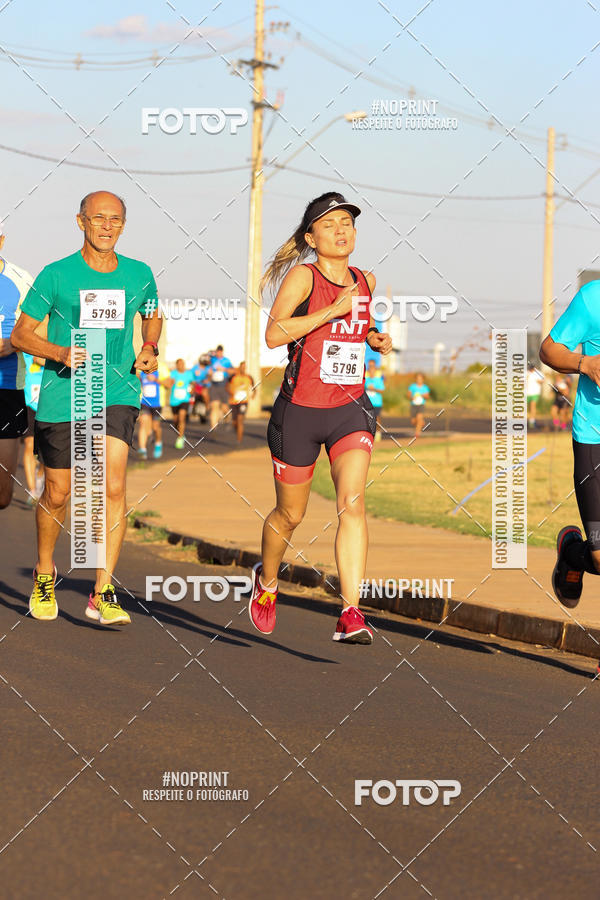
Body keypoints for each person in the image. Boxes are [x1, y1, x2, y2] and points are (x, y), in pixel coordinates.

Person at [247, 191, 391, 644]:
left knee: (353, 503)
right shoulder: (303, 278)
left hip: (350, 408)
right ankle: (267, 582)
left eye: (347, 221)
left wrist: (374, 338)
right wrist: (331, 309)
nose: (342, 230)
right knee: (290, 515)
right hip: (300, 412)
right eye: (330, 225)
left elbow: (355, 328)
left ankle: (351, 612)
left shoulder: (365, 280)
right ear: (311, 236)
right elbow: (273, 335)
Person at [11, 190, 160, 624]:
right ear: (81, 222)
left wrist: (149, 344)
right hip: (64, 394)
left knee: (112, 486)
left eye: (115, 219)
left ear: (124, 225)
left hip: (116, 390)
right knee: (58, 493)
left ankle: (103, 590)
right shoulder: (57, 275)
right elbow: (21, 335)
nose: (107, 226)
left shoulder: (139, 274)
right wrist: (59, 353)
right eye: (98, 218)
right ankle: (43, 572)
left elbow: (152, 313)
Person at [539, 279, 600, 613]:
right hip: (594, 436)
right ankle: (573, 554)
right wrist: (585, 364)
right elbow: (549, 349)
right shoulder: (594, 299)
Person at [0, 226, 33, 508]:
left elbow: (42, 328)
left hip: (7, 386)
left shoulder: (21, 279)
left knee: (2, 496)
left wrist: (15, 343)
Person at [22, 351, 45, 505]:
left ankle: (40, 476)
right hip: (27, 404)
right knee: (29, 445)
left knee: (46, 449)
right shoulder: (21, 351)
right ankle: (32, 491)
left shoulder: (51, 349)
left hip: (47, 404)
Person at [138, 362, 169, 459]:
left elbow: (168, 384)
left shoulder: (162, 368)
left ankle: (158, 443)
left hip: (157, 403)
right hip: (144, 402)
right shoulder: (141, 368)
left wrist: (155, 379)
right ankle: (142, 450)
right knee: (143, 424)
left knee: (156, 427)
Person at [167, 358, 194, 449]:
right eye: (179, 364)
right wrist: (170, 382)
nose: (181, 366)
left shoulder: (189, 374)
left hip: (185, 399)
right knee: (176, 421)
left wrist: (192, 389)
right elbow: (169, 384)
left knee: (182, 417)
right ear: (176, 365)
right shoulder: (173, 374)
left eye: (182, 364)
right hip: (174, 400)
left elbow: (193, 383)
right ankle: (181, 434)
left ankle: (180, 438)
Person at [228, 360, 255, 443]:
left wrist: (254, 394)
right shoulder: (233, 377)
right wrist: (231, 392)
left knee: (240, 419)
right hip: (234, 402)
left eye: (245, 367)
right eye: (242, 367)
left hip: (244, 402)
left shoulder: (249, 377)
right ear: (239, 368)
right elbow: (227, 386)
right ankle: (237, 430)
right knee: (234, 422)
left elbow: (254, 387)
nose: (243, 369)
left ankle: (239, 440)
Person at [208, 345, 233, 428]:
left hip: (223, 384)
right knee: (214, 406)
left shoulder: (226, 361)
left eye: (220, 351)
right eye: (217, 351)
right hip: (214, 385)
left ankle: (228, 418)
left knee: (224, 407)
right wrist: (210, 373)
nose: (218, 353)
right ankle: (213, 427)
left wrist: (224, 369)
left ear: (222, 352)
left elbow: (232, 371)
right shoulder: (212, 360)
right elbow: (207, 369)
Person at [364, 358, 385, 442]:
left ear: (375, 368)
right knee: (367, 419)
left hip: (376, 403)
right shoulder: (365, 378)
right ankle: (369, 435)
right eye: (369, 366)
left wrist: (374, 389)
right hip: (367, 402)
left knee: (377, 418)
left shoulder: (378, 379)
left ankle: (378, 433)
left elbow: (382, 390)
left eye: (372, 366)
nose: (371, 368)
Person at [407, 372, 430, 438]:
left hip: (421, 405)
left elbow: (427, 396)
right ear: (416, 379)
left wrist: (423, 395)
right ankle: (421, 422)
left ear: (423, 379)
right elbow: (408, 395)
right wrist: (411, 397)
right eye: (417, 379)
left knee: (419, 417)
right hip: (413, 405)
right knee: (414, 421)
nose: (419, 380)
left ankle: (417, 434)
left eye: (420, 379)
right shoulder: (412, 386)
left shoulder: (425, 387)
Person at [192, 353, 211, 422]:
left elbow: (210, 376)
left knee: (204, 393)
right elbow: (191, 376)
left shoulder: (208, 368)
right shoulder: (195, 368)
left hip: (205, 386)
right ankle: (191, 409)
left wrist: (207, 379)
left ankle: (207, 408)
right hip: (196, 385)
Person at [526, 363, 543, 429]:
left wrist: (539, 381)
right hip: (527, 393)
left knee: (533, 407)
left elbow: (542, 380)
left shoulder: (538, 373)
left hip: (535, 393)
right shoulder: (526, 373)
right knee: (529, 408)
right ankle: (531, 420)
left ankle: (531, 422)